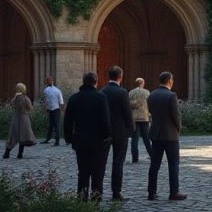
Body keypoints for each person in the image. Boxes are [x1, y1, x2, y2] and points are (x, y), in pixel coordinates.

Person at [64, 71, 111, 202]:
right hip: (99, 142)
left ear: (83, 82)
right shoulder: (101, 97)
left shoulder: (75, 98)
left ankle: (82, 200)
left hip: (81, 141)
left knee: (83, 172)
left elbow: (67, 121)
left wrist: (69, 139)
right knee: (98, 173)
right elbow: (105, 121)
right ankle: (96, 201)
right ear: (96, 82)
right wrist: (108, 136)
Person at [147, 71, 185, 201]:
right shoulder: (171, 95)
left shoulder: (151, 95)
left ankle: (151, 192)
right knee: (173, 165)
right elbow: (176, 115)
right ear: (169, 81)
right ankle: (174, 192)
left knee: (154, 165)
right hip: (170, 135)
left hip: (156, 134)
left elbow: (151, 111)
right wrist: (179, 128)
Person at [101, 65, 134, 202]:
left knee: (101, 163)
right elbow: (127, 114)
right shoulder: (122, 92)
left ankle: (98, 191)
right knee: (118, 162)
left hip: (104, 132)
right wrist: (131, 130)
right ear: (120, 76)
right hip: (120, 132)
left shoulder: (102, 91)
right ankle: (116, 192)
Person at [4, 83, 36, 159]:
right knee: (23, 135)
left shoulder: (15, 98)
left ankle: (7, 152)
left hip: (15, 117)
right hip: (24, 118)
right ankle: (20, 154)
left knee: (13, 135)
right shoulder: (25, 98)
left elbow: (11, 104)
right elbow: (30, 108)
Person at [128, 77, 152, 163]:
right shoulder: (146, 92)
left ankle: (135, 158)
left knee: (134, 140)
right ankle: (152, 155)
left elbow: (129, 105)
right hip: (144, 117)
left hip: (134, 118)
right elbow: (150, 104)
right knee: (146, 138)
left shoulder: (131, 92)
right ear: (142, 83)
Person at [41, 76, 64, 146]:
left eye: (50, 81)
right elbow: (45, 100)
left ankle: (57, 141)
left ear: (52, 81)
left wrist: (62, 109)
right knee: (51, 125)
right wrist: (45, 107)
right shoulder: (46, 90)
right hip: (50, 110)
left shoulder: (57, 90)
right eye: (48, 81)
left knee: (56, 125)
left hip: (56, 109)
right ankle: (48, 139)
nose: (49, 82)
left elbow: (61, 101)